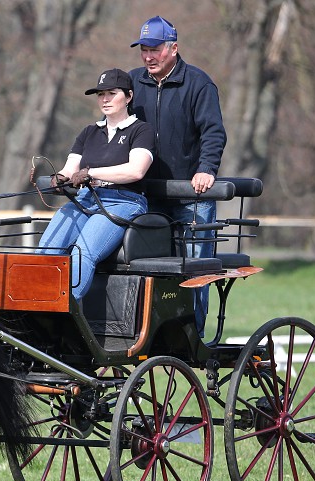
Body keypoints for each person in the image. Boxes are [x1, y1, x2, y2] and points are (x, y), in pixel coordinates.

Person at [128, 16, 227, 334]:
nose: (148, 57)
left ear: (174, 48)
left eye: (154, 49)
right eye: (144, 49)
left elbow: (213, 133)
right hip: (146, 199)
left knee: (194, 271)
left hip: (191, 198)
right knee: (147, 272)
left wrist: (206, 170)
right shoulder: (131, 84)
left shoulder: (199, 84)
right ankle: (153, 334)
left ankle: (192, 336)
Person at [38, 68, 154, 301]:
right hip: (85, 200)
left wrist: (91, 173)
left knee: (83, 253)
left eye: (112, 93)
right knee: (46, 249)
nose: (105, 99)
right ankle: (37, 304)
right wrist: (59, 178)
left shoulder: (141, 130)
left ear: (129, 97)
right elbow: (71, 168)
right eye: (101, 94)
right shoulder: (90, 132)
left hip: (124, 201)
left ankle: (68, 315)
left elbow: (136, 170)